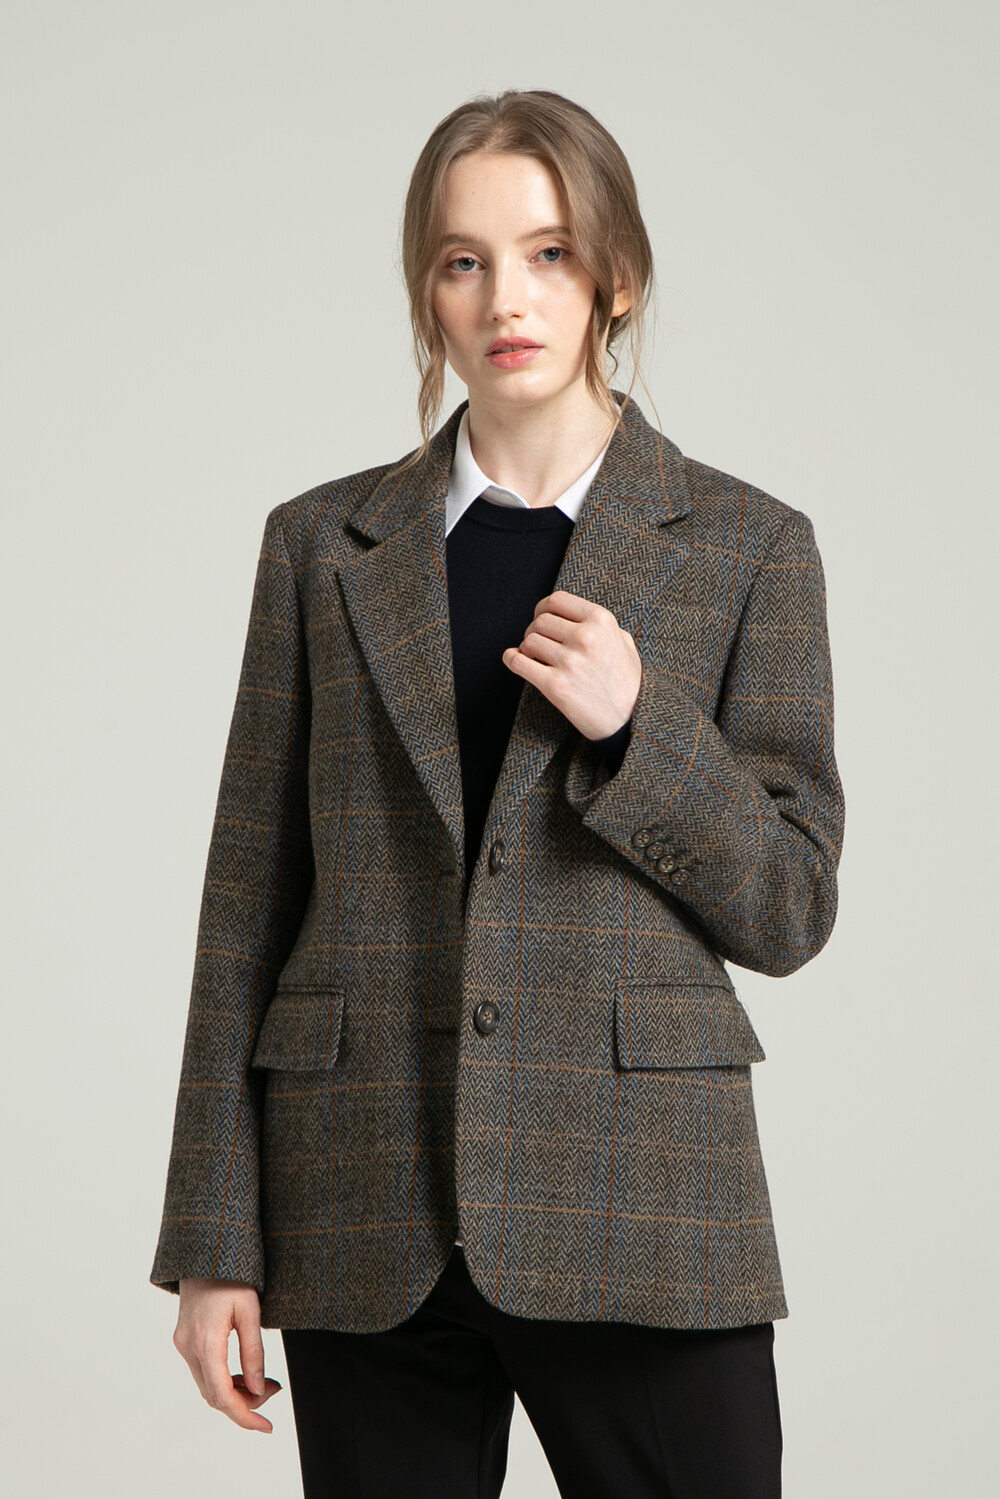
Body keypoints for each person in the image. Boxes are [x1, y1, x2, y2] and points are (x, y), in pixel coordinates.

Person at [151, 89, 845, 1498]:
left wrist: (642, 726)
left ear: (616, 279)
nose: (505, 298)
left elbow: (790, 903)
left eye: (549, 254)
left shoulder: (747, 547)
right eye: (463, 260)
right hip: (363, 1203)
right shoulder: (321, 547)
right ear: (429, 290)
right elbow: (247, 903)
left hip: (638, 1198)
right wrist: (215, 1238)